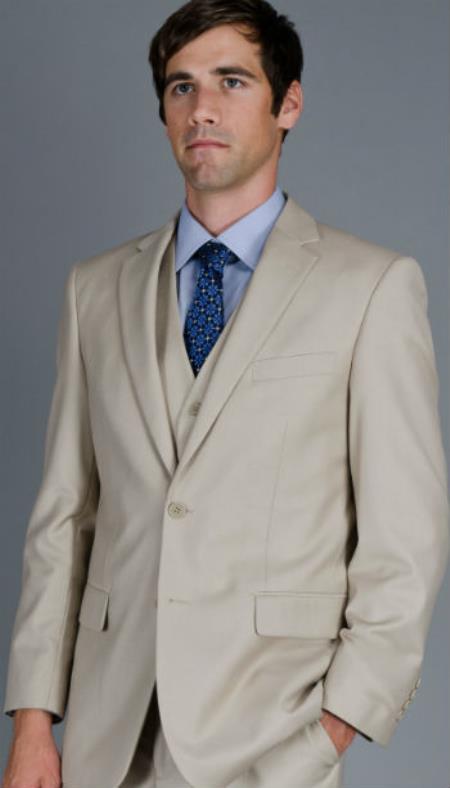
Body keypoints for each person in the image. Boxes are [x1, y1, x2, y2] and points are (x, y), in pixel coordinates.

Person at [2, 1, 449, 787]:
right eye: (181, 87)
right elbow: (63, 521)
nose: (201, 108)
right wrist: (33, 722)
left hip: (271, 740)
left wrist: (331, 733)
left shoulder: (372, 287)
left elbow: (404, 547)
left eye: (232, 81)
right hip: (107, 739)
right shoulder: (94, 290)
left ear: (288, 105)